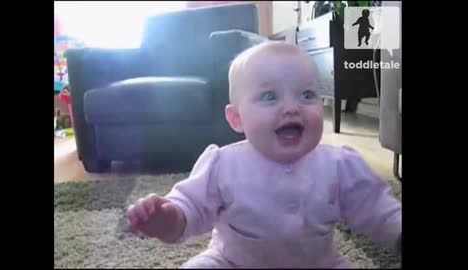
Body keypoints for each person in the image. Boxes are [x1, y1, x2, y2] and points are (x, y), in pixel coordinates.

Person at [126, 41, 401, 268]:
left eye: (307, 95)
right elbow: (191, 205)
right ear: (237, 119)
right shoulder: (223, 164)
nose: (292, 108)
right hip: (232, 261)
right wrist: (167, 218)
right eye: (270, 97)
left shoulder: (338, 164)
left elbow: (375, 206)